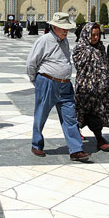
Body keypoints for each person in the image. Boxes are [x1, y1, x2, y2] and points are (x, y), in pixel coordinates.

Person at [26, 12, 91, 162]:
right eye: (63, 28)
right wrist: (36, 81)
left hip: (65, 85)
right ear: (54, 26)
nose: (65, 30)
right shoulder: (44, 40)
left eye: (67, 28)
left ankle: (76, 150)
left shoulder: (65, 41)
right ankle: (36, 144)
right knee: (41, 114)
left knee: (70, 117)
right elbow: (31, 63)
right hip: (48, 82)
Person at [72, 22, 109, 151]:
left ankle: (98, 137)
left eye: (98, 35)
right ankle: (91, 137)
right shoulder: (80, 49)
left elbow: (105, 66)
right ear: (86, 35)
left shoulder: (101, 48)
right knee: (81, 112)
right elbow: (79, 64)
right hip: (85, 89)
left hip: (100, 89)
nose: (96, 38)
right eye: (93, 35)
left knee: (98, 113)